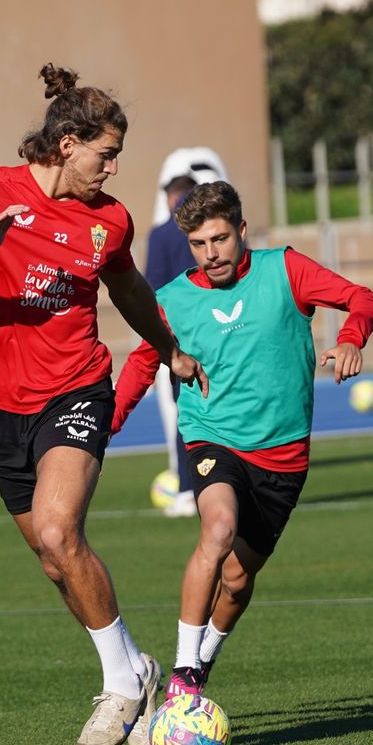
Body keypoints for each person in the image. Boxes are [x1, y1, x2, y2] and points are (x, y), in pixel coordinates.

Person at [0, 62, 207, 745]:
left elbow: (129, 293)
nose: (114, 169)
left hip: (76, 387)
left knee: (62, 533)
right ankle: (137, 668)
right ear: (67, 144)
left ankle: (120, 684)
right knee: (54, 561)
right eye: (107, 154)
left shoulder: (108, 221)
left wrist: (171, 349)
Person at [110, 180, 373, 706]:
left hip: (283, 453)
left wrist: (350, 339)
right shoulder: (170, 301)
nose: (210, 254)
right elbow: (143, 365)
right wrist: (107, 432)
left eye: (219, 239)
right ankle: (182, 677)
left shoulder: (286, 269)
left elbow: (362, 299)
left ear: (241, 231)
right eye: (198, 244)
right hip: (212, 438)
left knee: (236, 581)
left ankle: (203, 661)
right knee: (218, 529)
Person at [145, 147, 231, 518]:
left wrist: (157, 347)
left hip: (181, 344)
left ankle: (186, 487)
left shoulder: (163, 235)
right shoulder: (209, 230)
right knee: (224, 413)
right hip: (223, 336)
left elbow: (151, 292)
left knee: (188, 418)